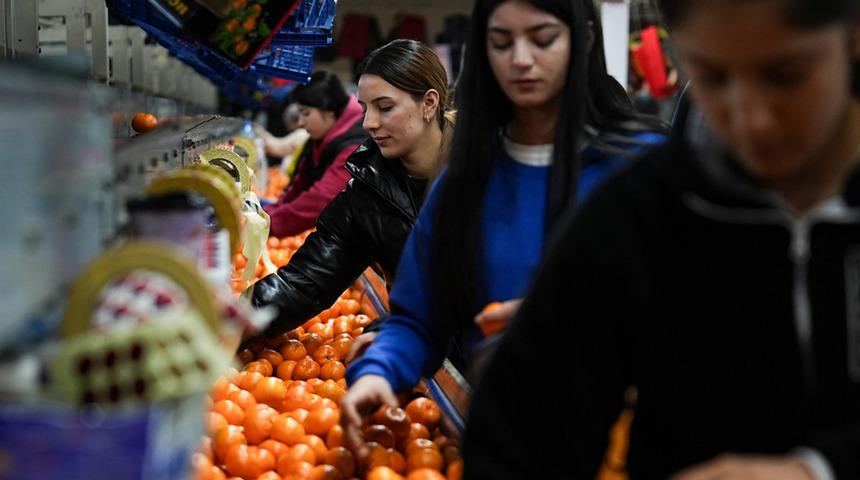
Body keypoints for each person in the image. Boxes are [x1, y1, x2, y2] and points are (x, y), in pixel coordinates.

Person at [464, 0, 860, 478]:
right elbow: (517, 438)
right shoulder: (637, 219)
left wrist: (817, 470)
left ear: (853, 40)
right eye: (713, 78)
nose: (750, 119)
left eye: (786, 75)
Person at [340, 0, 667, 459]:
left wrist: (575, 316)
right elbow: (418, 318)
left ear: (584, 39)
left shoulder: (643, 167)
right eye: (500, 42)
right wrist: (379, 370)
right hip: (508, 446)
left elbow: (708, 313)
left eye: (543, 38)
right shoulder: (466, 180)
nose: (520, 60)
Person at [249, 39, 455, 339]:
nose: (369, 123)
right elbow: (305, 282)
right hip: (421, 356)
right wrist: (229, 317)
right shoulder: (367, 191)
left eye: (384, 108)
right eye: (364, 108)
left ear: (429, 103)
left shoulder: (488, 167)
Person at [263, 71, 367, 237]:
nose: (301, 123)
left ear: (329, 112)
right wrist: (266, 214)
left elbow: (321, 198)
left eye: (306, 114)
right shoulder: (322, 137)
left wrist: (269, 224)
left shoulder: (354, 145)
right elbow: (301, 185)